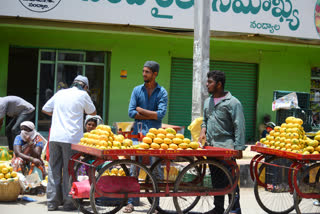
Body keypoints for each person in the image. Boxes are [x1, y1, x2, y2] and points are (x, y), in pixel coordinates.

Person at [42, 75, 96, 211]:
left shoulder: (60, 93)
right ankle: (68, 202)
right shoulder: (83, 95)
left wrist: (59, 113)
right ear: (85, 86)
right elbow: (92, 112)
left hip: (55, 137)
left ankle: (52, 202)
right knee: (69, 170)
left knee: (53, 169)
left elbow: (45, 109)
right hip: (71, 138)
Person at [198, 70, 246, 214]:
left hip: (226, 148)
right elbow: (205, 120)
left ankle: (235, 210)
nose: (207, 85)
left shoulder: (233, 102)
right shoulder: (208, 101)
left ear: (219, 84)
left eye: (210, 82)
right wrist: (203, 130)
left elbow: (239, 125)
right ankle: (218, 208)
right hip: (211, 147)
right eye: (207, 82)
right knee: (216, 179)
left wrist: (239, 148)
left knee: (230, 180)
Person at [126, 60, 168, 213]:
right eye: (143, 71)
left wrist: (141, 111)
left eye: (147, 72)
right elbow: (131, 112)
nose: (144, 74)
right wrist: (151, 115)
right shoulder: (137, 90)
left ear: (155, 74)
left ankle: (155, 204)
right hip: (137, 134)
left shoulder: (162, 92)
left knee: (155, 169)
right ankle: (131, 202)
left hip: (155, 137)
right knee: (133, 168)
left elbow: (161, 114)